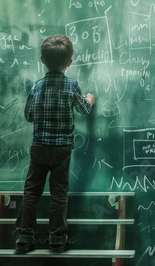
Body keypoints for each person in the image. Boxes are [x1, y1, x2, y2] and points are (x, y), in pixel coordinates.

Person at [15, 34, 95, 253]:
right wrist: (90, 100)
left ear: (42, 59)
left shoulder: (37, 87)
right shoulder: (71, 86)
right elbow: (84, 110)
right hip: (62, 149)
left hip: (39, 147)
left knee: (31, 191)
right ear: (69, 63)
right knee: (59, 193)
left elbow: (29, 116)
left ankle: (25, 235)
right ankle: (58, 238)